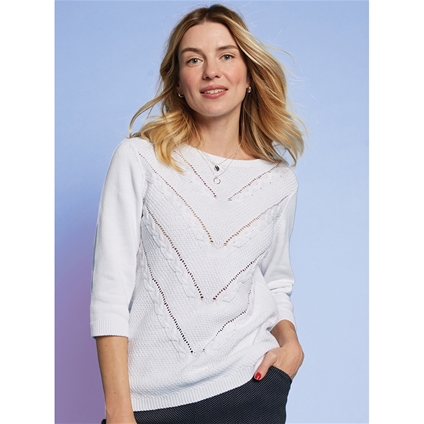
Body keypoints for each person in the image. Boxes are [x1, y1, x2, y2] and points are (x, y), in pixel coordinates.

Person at [90, 4, 305, 423]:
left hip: (251, 391)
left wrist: (291, 345)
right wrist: (118, 411)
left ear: (249, 75)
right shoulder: (140, 159)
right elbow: (109, 292)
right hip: (149, 403)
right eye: (194, 60)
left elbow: (276, 280)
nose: (211, 71)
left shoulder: (279, 181)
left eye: (226, 55)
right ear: (179, 82)